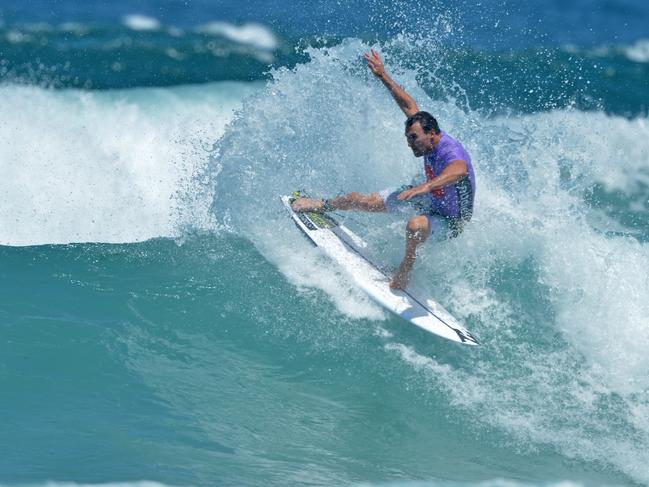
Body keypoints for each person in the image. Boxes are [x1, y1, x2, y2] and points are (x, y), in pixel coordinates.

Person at [292, 49, 476, 290]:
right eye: (408, 138)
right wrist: (383, 76)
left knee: (414, 226)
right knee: (361, 200)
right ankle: (322, 205)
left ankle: (405, 271)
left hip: (451, 220)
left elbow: (460, 170)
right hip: (429, 197)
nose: (410, 143)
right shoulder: (425, 131)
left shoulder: (450, 151)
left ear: (432, 134)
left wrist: (424, 187)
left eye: (413, 138)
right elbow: (409, 105)